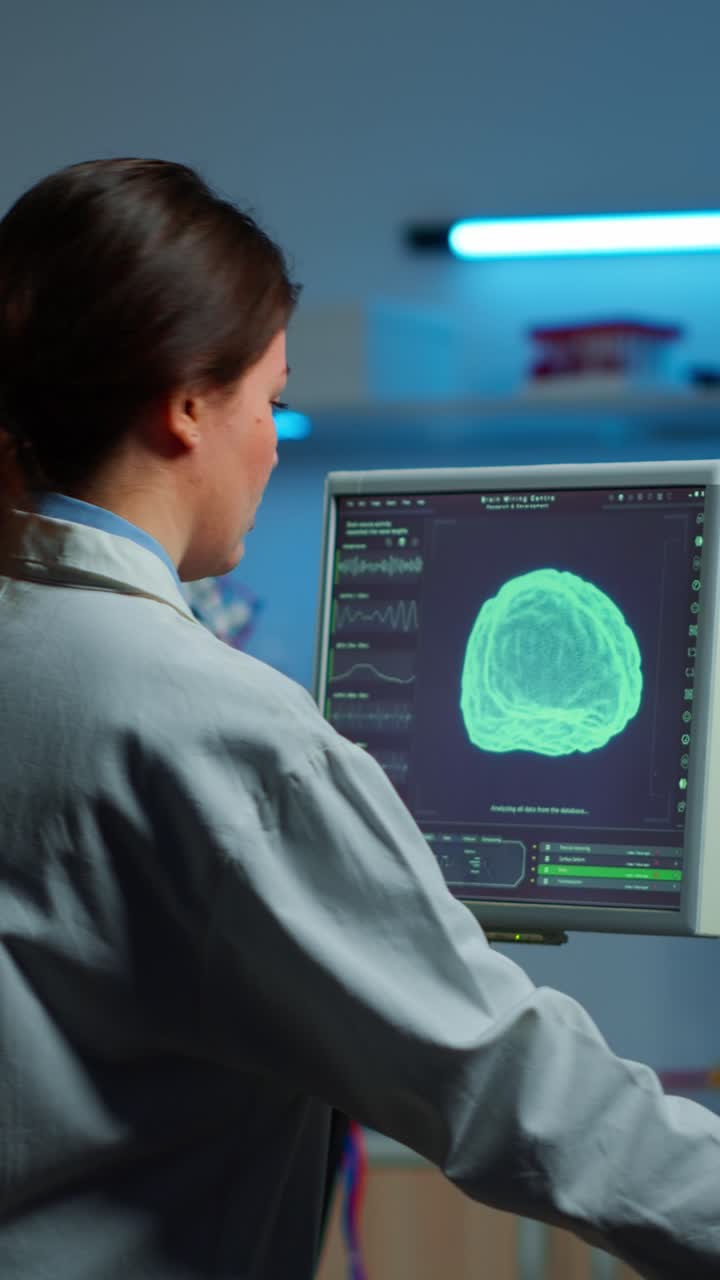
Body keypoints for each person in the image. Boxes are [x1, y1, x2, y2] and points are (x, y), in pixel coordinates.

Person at [0, 159, 718, 1280]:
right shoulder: (221, 728)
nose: (275, 439)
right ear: (186, 405)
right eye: (269, 399)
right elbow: (511, 1090)